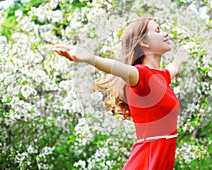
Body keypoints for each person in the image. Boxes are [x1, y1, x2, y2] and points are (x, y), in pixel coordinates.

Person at [53, 17, 189, 169]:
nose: (166, 34)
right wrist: (90, 59)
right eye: (158, 31)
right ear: (144, 43)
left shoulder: (162, 77)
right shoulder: (140, 75)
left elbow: (173, 68)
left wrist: (180, 59)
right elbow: (116, 67)